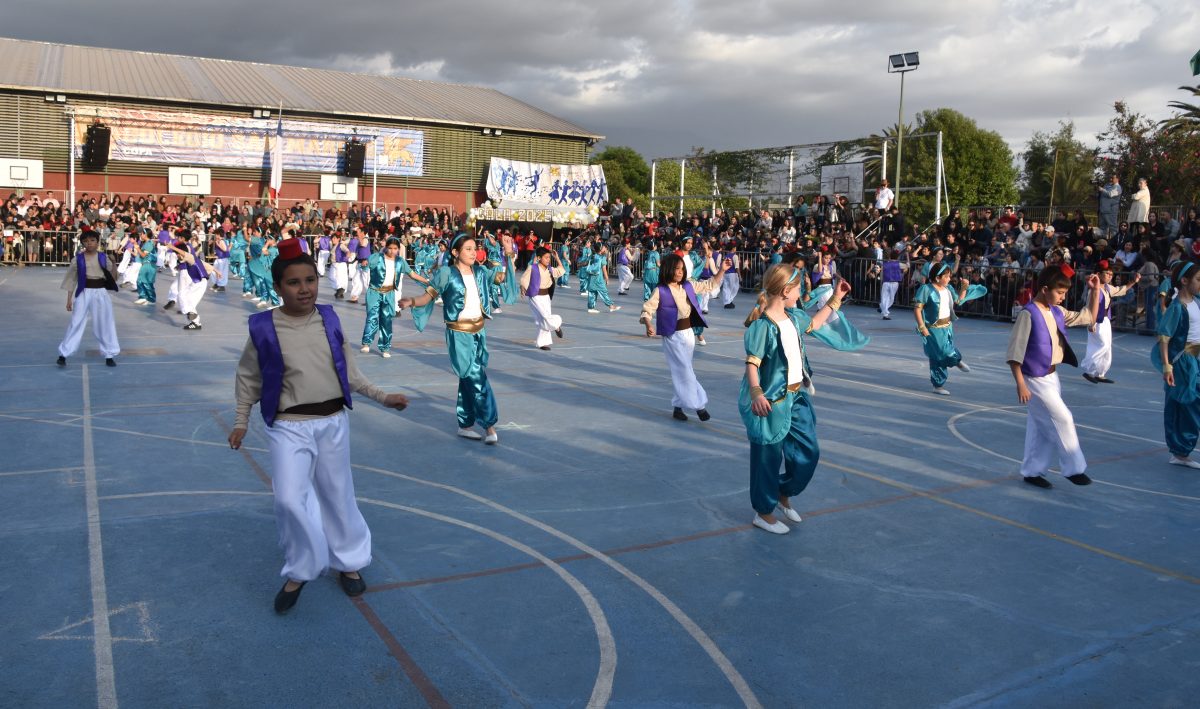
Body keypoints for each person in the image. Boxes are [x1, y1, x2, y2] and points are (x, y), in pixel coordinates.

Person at [228, 238, 410, 614]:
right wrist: (241, 420)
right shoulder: (263, 327)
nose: (304, 289)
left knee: (337, 494)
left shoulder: (329, 318)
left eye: (310, 280)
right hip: (288, 426)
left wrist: (382, 396)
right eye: (294, 282)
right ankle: (301, 569)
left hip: (332, 422)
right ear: (278, 287)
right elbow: (248, 377)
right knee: (288, 499)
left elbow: (350, 372)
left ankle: (349, 561)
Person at [740, 266, 868, 534]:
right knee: (767, 458)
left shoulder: (794, 317)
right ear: (786, 291)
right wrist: (756, 393)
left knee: (808, 453)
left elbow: (816, 323)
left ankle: (782, 491)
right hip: (772, 402)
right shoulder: (763, 326)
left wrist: (836, 298)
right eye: (798, 288)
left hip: (797, 397)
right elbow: (752, 363)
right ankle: (763, 512)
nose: (801, 293)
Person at [400, 234, 507, 444]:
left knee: (467, 378)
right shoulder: (446, 273)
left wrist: (509, 255)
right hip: (459, 334)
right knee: (476, 378)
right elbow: (427, 296)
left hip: (479, 332)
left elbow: (500, 278)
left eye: (474, 248)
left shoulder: (480, 271)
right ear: (455, 252)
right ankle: (489, 426)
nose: (473, 253)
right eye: (468, 249)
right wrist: (411, 301)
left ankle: (465, 425)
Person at [1006, 265, 1101, 488]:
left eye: (1064, 293)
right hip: (1033, 379)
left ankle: (1032, 471)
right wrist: (1020, 384)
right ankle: (1074, 469)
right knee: (1063, 418)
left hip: (1051, 377)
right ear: (1045, 289)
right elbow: (1014, 353)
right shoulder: (1028, 314)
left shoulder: (1057, 311)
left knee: (1039, 427)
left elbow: (1089, 317)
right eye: (1060, 292)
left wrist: (1095, 291)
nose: (1063, 297)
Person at [640, 252, 732, 421]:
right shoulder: (660, 291)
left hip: (688, 333)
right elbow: (647, 309)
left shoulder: (688, 285)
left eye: (682, 269)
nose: (680, 272)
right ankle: (699, 406)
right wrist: (648, 324)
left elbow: (708, 285)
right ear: (668, 269)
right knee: (684, 369)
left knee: (683, 369)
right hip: (672, 335)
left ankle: (678, 407)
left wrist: (722, 270)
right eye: (677, 269)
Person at [912, 263, 988, 395]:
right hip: (933, 329)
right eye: (946, 276)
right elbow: (917, 309)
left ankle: (943, 378)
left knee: (939, 355)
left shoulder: (948, 289)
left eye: (949, 276)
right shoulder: (926, 289)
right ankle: (953, 365)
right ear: (937, 277)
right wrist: (922, 327)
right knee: (941, 353)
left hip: (947, 327)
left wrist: (964, 288)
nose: (949, 279)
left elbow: (959, 301)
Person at [1154, 260, 1200, 469]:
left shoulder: (1196, 301)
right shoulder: (1177, 307)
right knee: (1186, 405)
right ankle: (1180, 452)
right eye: (1198, 279)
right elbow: (1164, 337)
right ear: (1185, 281)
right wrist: (1167, 367)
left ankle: (1182, 449)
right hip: (1183, 362)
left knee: (1192, 404)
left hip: (1196, 359)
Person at [56, 228, 119, 367]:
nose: (89, 243)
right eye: (86, 241)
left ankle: (109, 354)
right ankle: (64, 353)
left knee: (104, 323)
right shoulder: (77, 259)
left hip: (101, 293)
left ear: (97, 242)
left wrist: (114, 263)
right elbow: (72, 279)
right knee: (76, 322)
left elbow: (114, 277)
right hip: (83, 292)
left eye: (92, 240)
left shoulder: (103, 257)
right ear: (82, 243)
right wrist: (69, 299)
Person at [360, 237, 426, 358]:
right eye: (390, 248)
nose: (392, 251)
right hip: (374, 292)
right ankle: (366, 343)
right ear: (386, 248)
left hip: (389, 294)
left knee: (386, 320)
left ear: (398, 249)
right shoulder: (377, 257)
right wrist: (364, 265)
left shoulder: (400, 262)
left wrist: (427, 281)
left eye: (395, 248)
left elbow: (412, 274)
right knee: (372, 317)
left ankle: (385, 347)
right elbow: (365, 266)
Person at [1080, 260, 1140, 383]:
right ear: (1098, 274)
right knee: (1101, 344)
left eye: (1111, 274)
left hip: (1106, 319)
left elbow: (1121, 289)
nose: (1110, 276)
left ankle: (1100, 373)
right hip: (1096, 320)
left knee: (1107, 347)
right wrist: (1092, 322)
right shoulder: (1094, 290)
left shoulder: (1108, 288)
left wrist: (1133, 282)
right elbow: (1090, 307)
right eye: (1107, 273)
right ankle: (1088, 369)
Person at [519, 246, 566, 351]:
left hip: (546, 297)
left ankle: (543, 343)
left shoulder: (550, 269)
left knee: (543, 319)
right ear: (539, 258)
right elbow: (524, 279)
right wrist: (523, 288)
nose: (548, 260)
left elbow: (561, 270)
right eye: (546, 257)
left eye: (549, 257)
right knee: (544, 316)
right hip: (535, 296)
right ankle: (557, 325)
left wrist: (557, 258)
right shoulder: (532, 267)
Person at [585, 243, 621, 314]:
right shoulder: (602, 257)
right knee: (603, 291)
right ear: (600, 249)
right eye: (604, 247)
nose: (605, 248)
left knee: (592, 292)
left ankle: (591, 307)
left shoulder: (593, 255)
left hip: (591, 276)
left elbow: (587, 263)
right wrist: (607, 278)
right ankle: (611, 306)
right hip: (598, 277)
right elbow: (604, 269)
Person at [879, 249, 904, 320]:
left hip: (886, 282)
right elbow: (907, 266)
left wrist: (882, 280)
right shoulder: (899, 264)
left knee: (884, 298)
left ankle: (883, 309)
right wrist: (908, 257)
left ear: (890, 256)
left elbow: (881, 274)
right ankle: (884, 312)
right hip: (895, 283)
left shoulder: (885, 264)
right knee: (891, 298)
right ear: (897, 257)